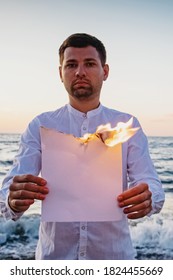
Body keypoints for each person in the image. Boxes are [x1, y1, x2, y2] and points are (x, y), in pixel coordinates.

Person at [0, 33, 165, 260]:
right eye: (71, 65)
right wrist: (14, 198)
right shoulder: (40, 126)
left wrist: (148, 198)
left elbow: (152, 184)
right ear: (60, 73)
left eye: (89, 63)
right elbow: (9, 193)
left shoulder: (127, 125)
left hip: (114, 262)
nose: (80, 72)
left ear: (105, 71)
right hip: (54, 263)